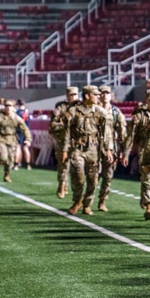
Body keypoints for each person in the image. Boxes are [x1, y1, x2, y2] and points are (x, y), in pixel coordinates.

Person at [61, 86, 110, 216]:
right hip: (78, 148)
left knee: (93, 179)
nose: (99, 97)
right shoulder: (73, 111)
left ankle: (87, 204)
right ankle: (77, 201)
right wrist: (65, 150)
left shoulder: (101, 112)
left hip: (93, 149)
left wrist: (108, 149)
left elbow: (106, 133)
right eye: (96, 94)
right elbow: (66, 133)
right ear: (87, 96)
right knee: (78, 175)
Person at [124, 88, 150, 220]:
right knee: (148, 178)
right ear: (146, 101)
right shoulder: (140, 116)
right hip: (145, 151)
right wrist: (126, 153)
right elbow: (131, 135)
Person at [97, 86, 127, 212]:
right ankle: (87, 200)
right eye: (102, 93)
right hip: (95, 148)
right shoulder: (94, 110)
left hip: (111, 149)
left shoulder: (116, 112)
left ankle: (102, 200)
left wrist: (123, 150)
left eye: (107, 93)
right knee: (93, 176)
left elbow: (122, 132)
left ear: (111, 95)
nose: (104, 95)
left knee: (108, 176)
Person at [0, 100, 32, 183]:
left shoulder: (16, 118)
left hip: (12, 140)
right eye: (6, 106)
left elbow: (25, 129)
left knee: (10, 160)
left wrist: (28, 139)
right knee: (3, 156)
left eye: (10, 106)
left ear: (13, 107)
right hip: (1, 139)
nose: (8, 108)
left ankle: (7, 175)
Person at [49, 87, 79, 197]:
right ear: (67, 96)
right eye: (71, 95)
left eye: (75, 94)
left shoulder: (81, 106)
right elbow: (52, 125)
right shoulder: (61, 107)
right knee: (63, 165)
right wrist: (66, 125)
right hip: (63, 140)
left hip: (77, 141)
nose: (73, 97)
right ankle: (62, 184)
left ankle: (73, 187)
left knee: (76, 166)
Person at [14, 99, 31, 170]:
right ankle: (28, 165)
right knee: (25, 148)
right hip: (27, 130)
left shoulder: (17, 112)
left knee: (18, 147)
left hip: (19, 130)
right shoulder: (27, 112)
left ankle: (16, 164)